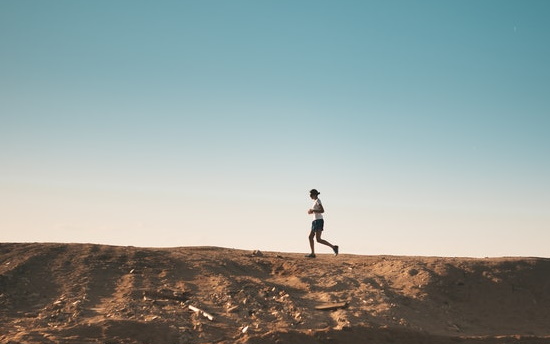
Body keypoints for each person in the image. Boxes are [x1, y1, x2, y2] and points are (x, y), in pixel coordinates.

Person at [306, 189, 339, 258]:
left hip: (319, 221)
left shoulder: (318, 201)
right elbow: (316, 211)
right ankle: (312, 253)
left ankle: (334, 247)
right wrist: (312, 211)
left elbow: (322, 210)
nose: (310, 196)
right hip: (315, 221)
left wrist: (313, 210)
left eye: (311, 195)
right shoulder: (315, 201)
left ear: (314, 194)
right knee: (310, 237)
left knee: (318, 239)